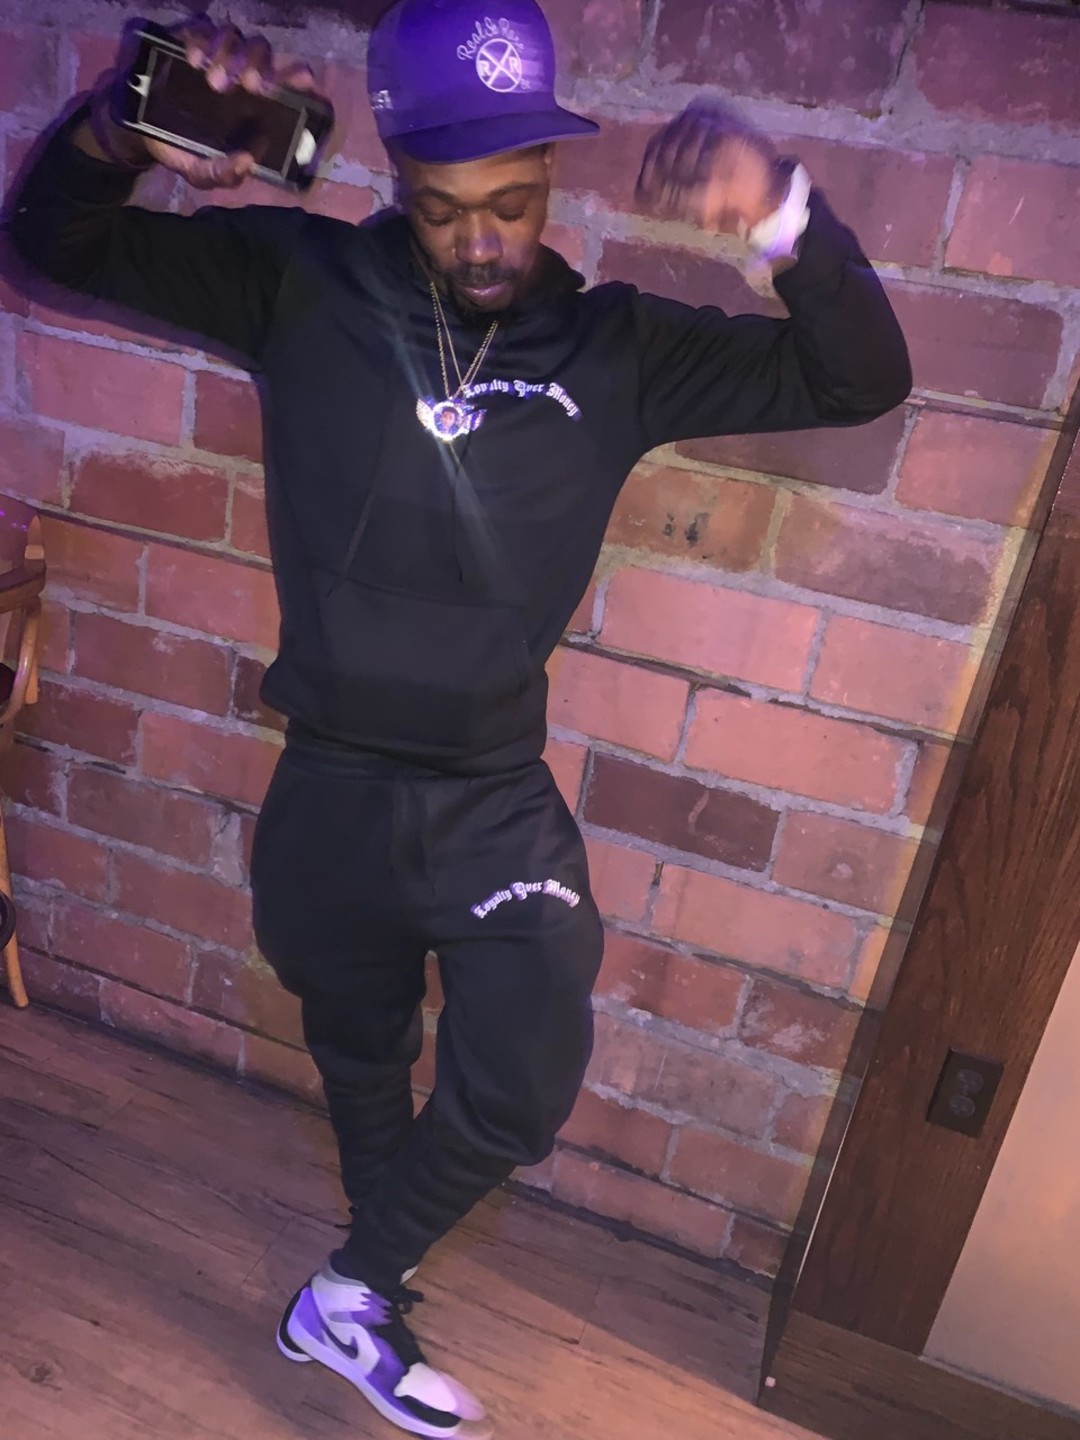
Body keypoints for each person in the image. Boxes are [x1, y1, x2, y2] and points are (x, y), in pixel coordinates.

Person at [8, 1, 912, 1434]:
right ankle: (368, 1307)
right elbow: (51, 240)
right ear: (396, 176)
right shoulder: (299, 281)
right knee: (363, 1067)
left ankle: (343, 1291)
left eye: (512, 205)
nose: (482, 242)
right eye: (442, 211)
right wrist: (125, 128)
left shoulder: (616, 348)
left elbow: (861, 377)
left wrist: (782, 213)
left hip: (492, 796)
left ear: (549, 178)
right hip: (331, 793)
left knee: (521, 1083)